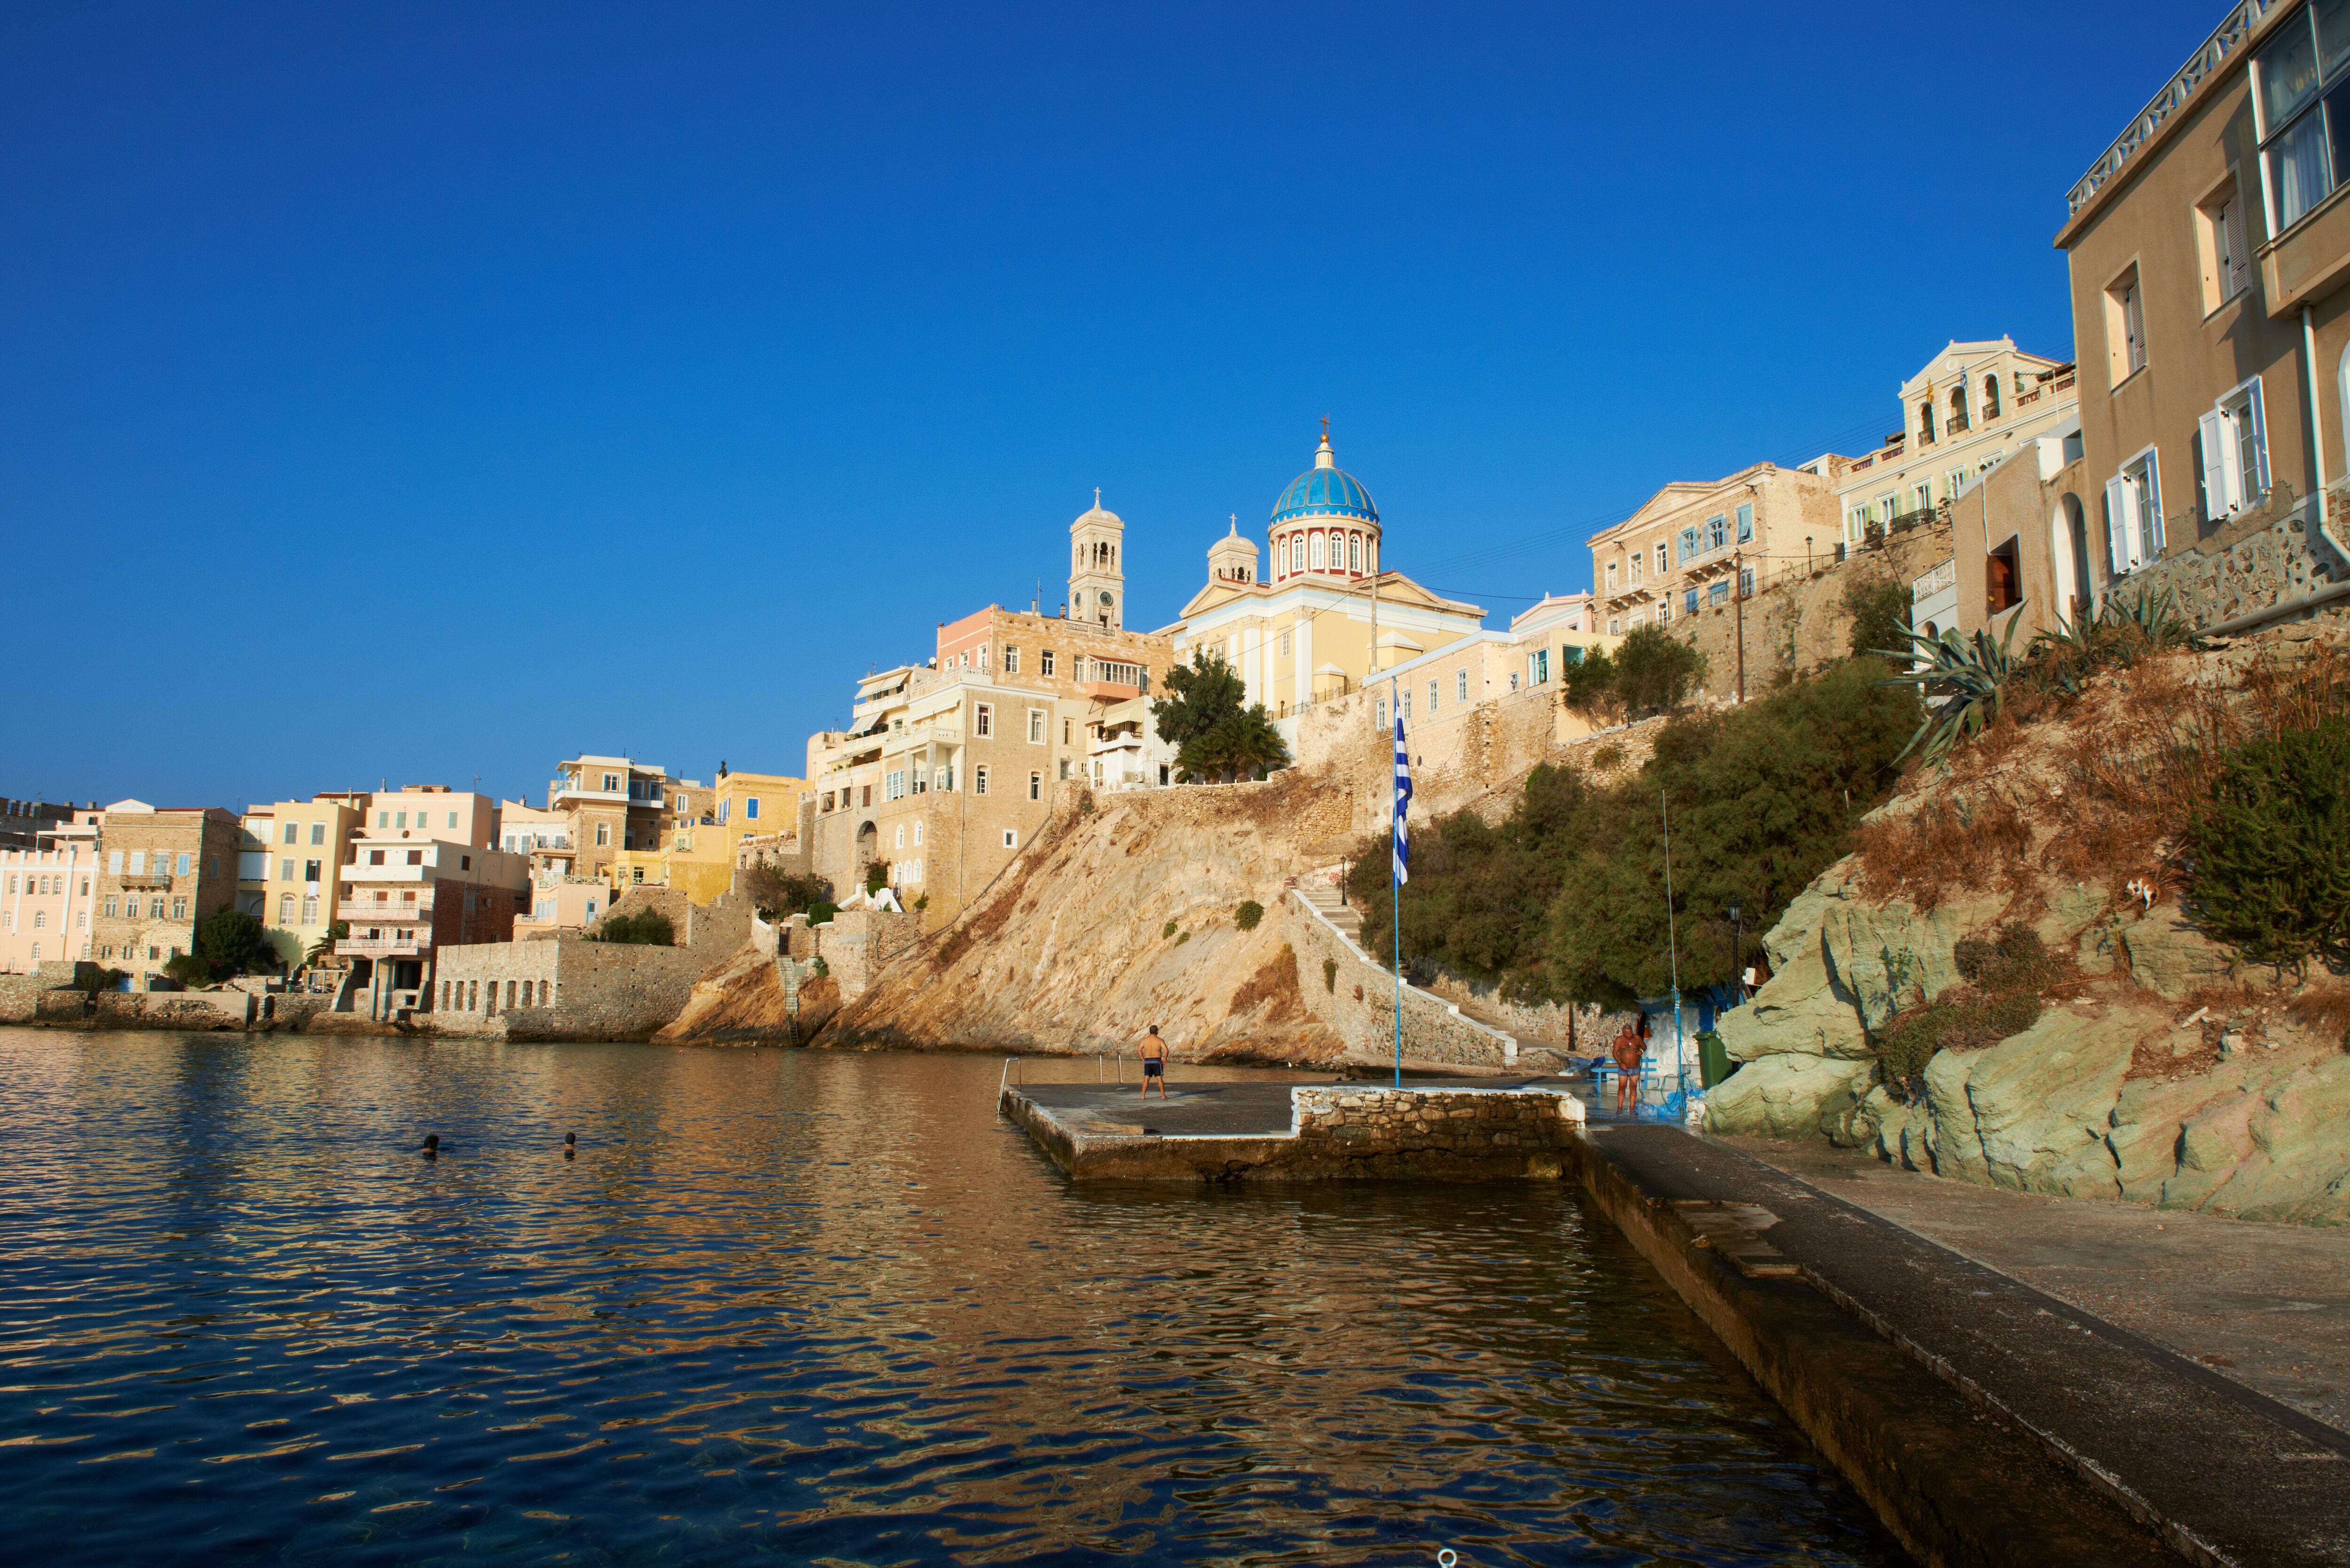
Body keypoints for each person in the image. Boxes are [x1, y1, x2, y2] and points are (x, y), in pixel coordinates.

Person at [1610, 1020, 1644, 1115]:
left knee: (1633, 1087)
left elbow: (1644, 1046)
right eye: (1627, 1034)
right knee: (1622, 1087)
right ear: (1623, 1033)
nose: (1629, 1036)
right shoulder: (1619, 1040)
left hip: (1635, 1068)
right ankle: (1619, 1107)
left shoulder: (1637, 1038)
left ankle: (1632, 1108)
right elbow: (1615, 1053)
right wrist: (1620, 1063)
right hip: (1623, 1068)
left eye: (1630, 1033)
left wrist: (1641, 1051)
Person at [1137, 1024, 1169, 1101]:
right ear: (1157, 1031)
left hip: (1148, 1061)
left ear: (1150, 1031)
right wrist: (1165, 1059)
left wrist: (1143, 1059)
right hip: (1157, 1061)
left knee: (1146, 1079)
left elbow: (1139, 1050)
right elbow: (1166, 1050)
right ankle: (1163, 1096)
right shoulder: (1160, 1040)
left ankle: (1143, 1096)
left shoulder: (1145, 1040)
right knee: (1159, 1079)